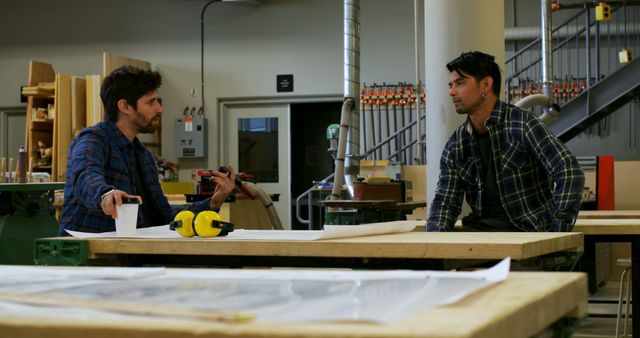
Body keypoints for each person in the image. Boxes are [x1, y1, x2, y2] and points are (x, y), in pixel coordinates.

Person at [58, 65, 235, 235]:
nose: (160, 108)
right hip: (89, 257)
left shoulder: (143, 155)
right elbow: (86, 175)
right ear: (125, 106)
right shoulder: (93, 139)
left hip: (128, 255)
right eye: (151, 102)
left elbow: (163, 216)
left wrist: (212, 202)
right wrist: (106, 194)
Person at [427, 51, 585, 232]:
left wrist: (558, 231)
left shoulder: (523, 125)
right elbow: (445, 202)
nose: (451, 91)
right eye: (450, 85)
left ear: (486, 84)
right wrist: (433, 244)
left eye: (460, 83)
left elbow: (570, 173)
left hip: (526, 234)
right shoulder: (456, 144)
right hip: (480, 236)